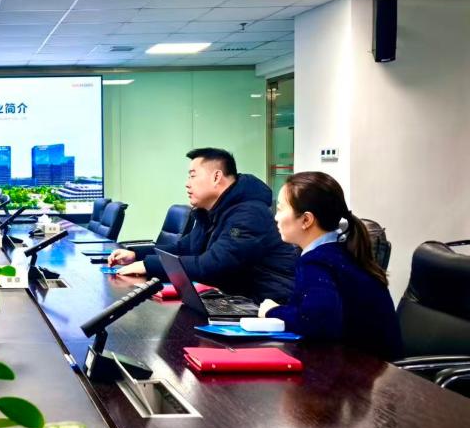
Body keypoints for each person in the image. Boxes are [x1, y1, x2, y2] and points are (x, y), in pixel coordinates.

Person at [108, 147, 297, 303]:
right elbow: (183, 248)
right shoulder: (210, 212)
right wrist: (136, 254)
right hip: (237, 301)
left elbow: (214, 266)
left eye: (192, 176)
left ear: (216, 177)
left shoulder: (249, 214)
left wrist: (148, 266)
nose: (187, 184)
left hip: (268, 308)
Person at [260, 171, 401, 359]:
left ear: (306, 220)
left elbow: (316, 322)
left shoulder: (318, 261)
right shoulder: (340, 251)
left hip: (365, 369)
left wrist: (272, 311)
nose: (276, 217)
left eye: (280, 209)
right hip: (371, 365)